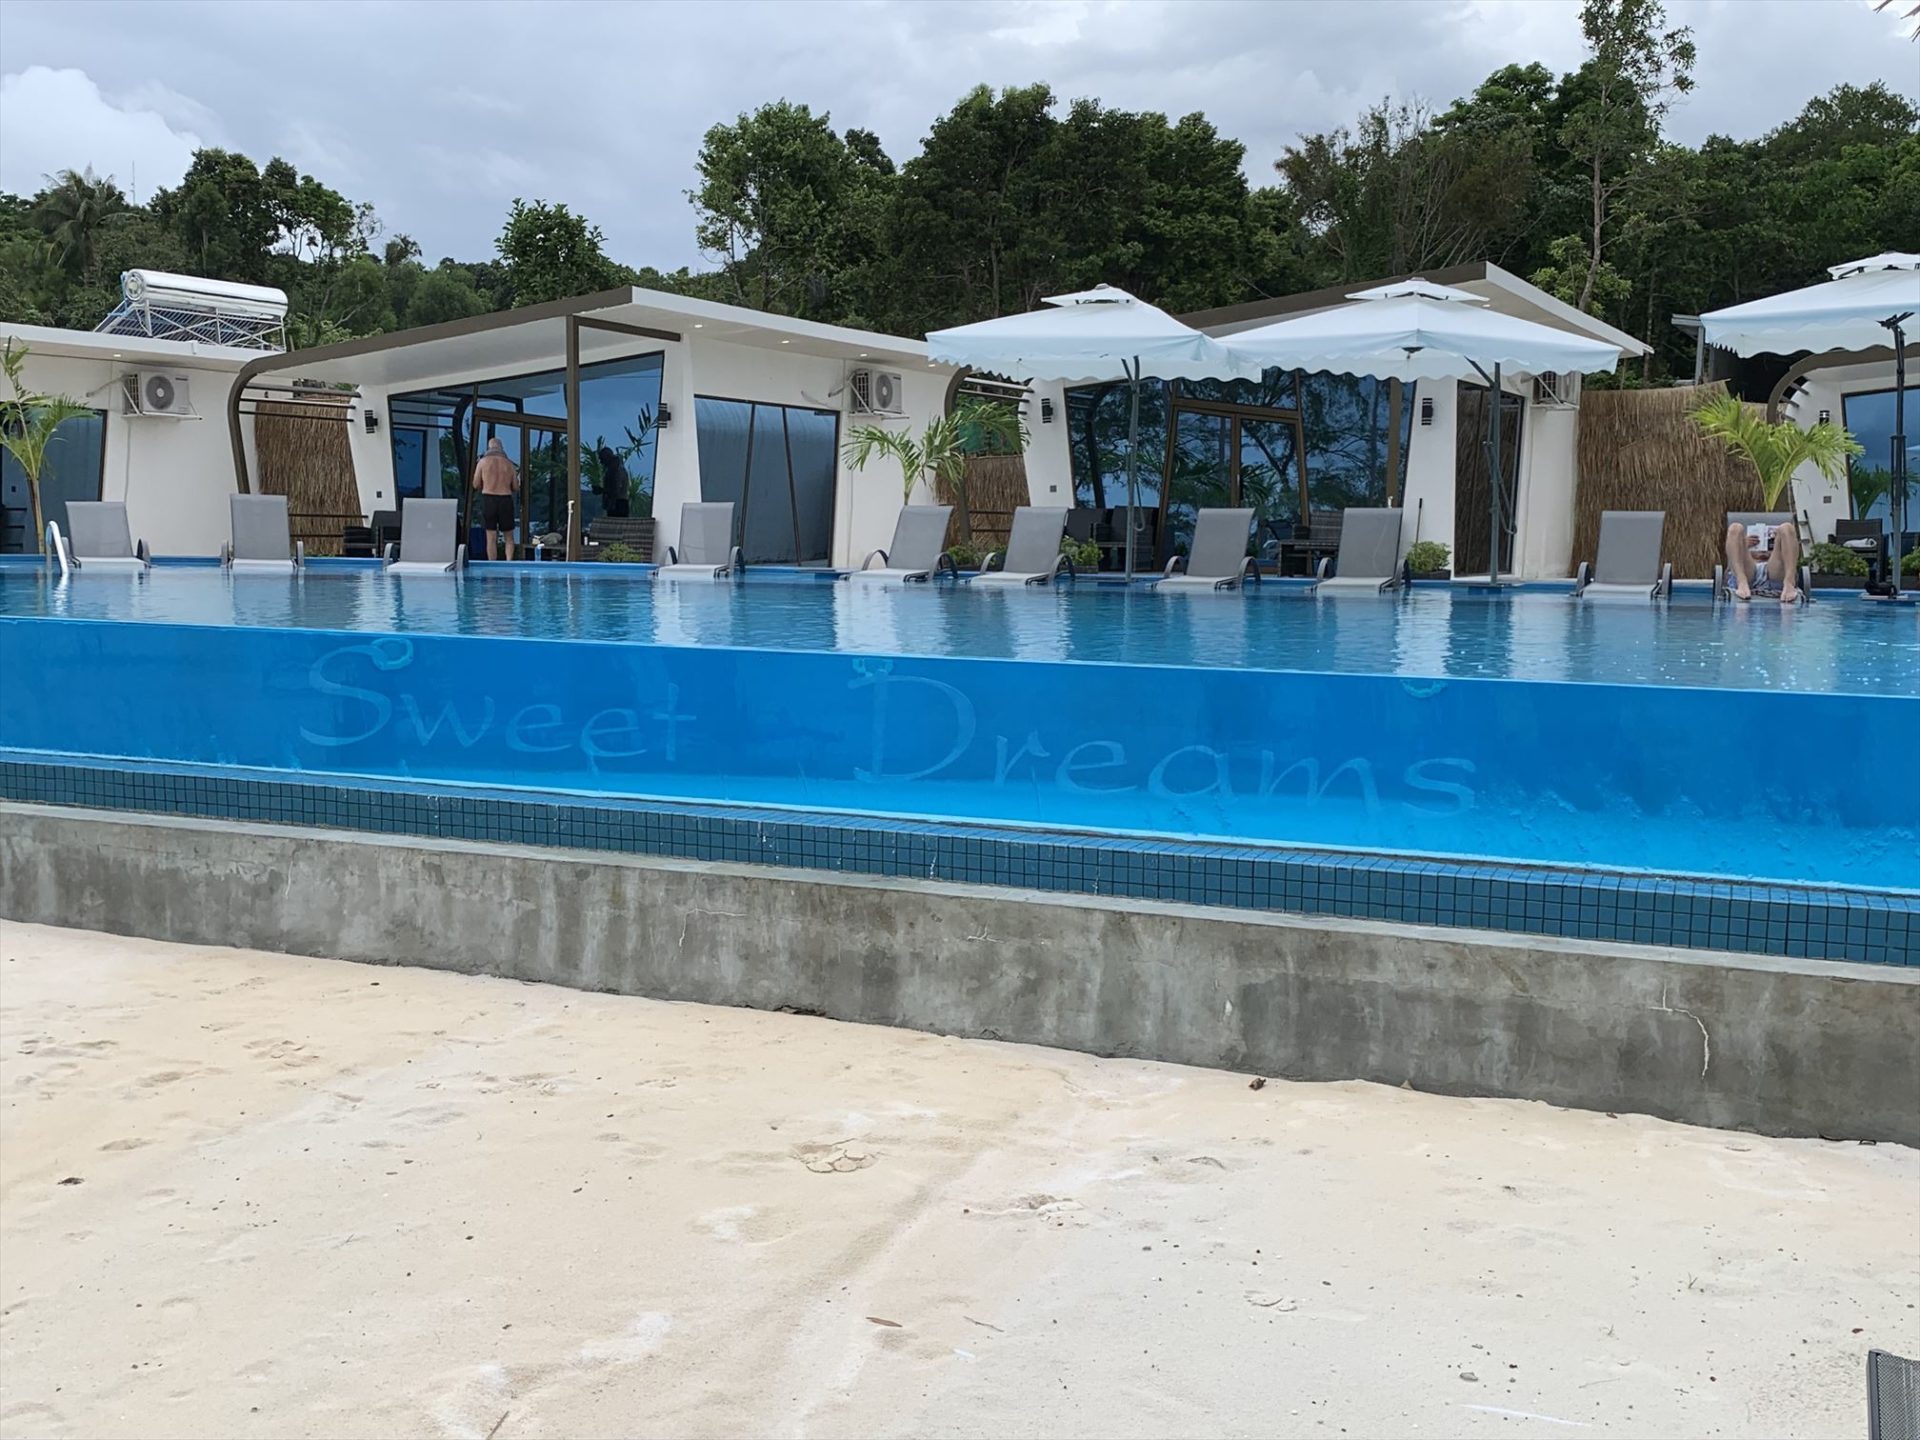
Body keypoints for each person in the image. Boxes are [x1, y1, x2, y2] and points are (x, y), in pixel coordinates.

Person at [1725, 517, 1801, 604]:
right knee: (1735, 528)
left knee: (1787, 528)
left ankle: (1789, 582)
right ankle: (1741, 581)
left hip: (1773, 569)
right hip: (1748, 568)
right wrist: (1745, 543)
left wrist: (1777, 543)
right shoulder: (1745, 543)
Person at [471, 437, 519, 561]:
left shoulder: (482, 462)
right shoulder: (509, 465)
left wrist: (486, 483)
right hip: (505, 499)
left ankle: (492, 564)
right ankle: (509, 563)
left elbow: (475, 484)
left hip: (489, 499)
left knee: (491, 537)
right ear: (501, 448)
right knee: (509, 537)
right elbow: (515, 487)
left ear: (489, 447)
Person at [596, 444, 631, 519]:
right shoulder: (613, 469)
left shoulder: (617, 470)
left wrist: (602, 490)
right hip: (617, 504)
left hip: (619, 505)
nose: (601, 462)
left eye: (602, 459)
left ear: (607, 457)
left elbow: (616, 490)